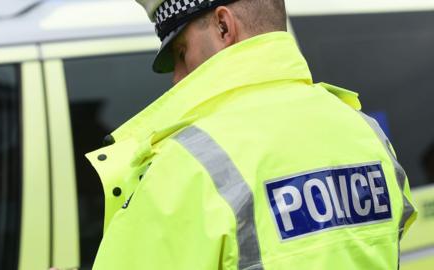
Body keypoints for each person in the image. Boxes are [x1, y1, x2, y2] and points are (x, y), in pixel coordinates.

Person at [85, 0, 417, 269]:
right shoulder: (366, 133)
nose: (177, 77)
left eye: (181, 53)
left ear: (223, 26)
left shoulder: (184, 163)